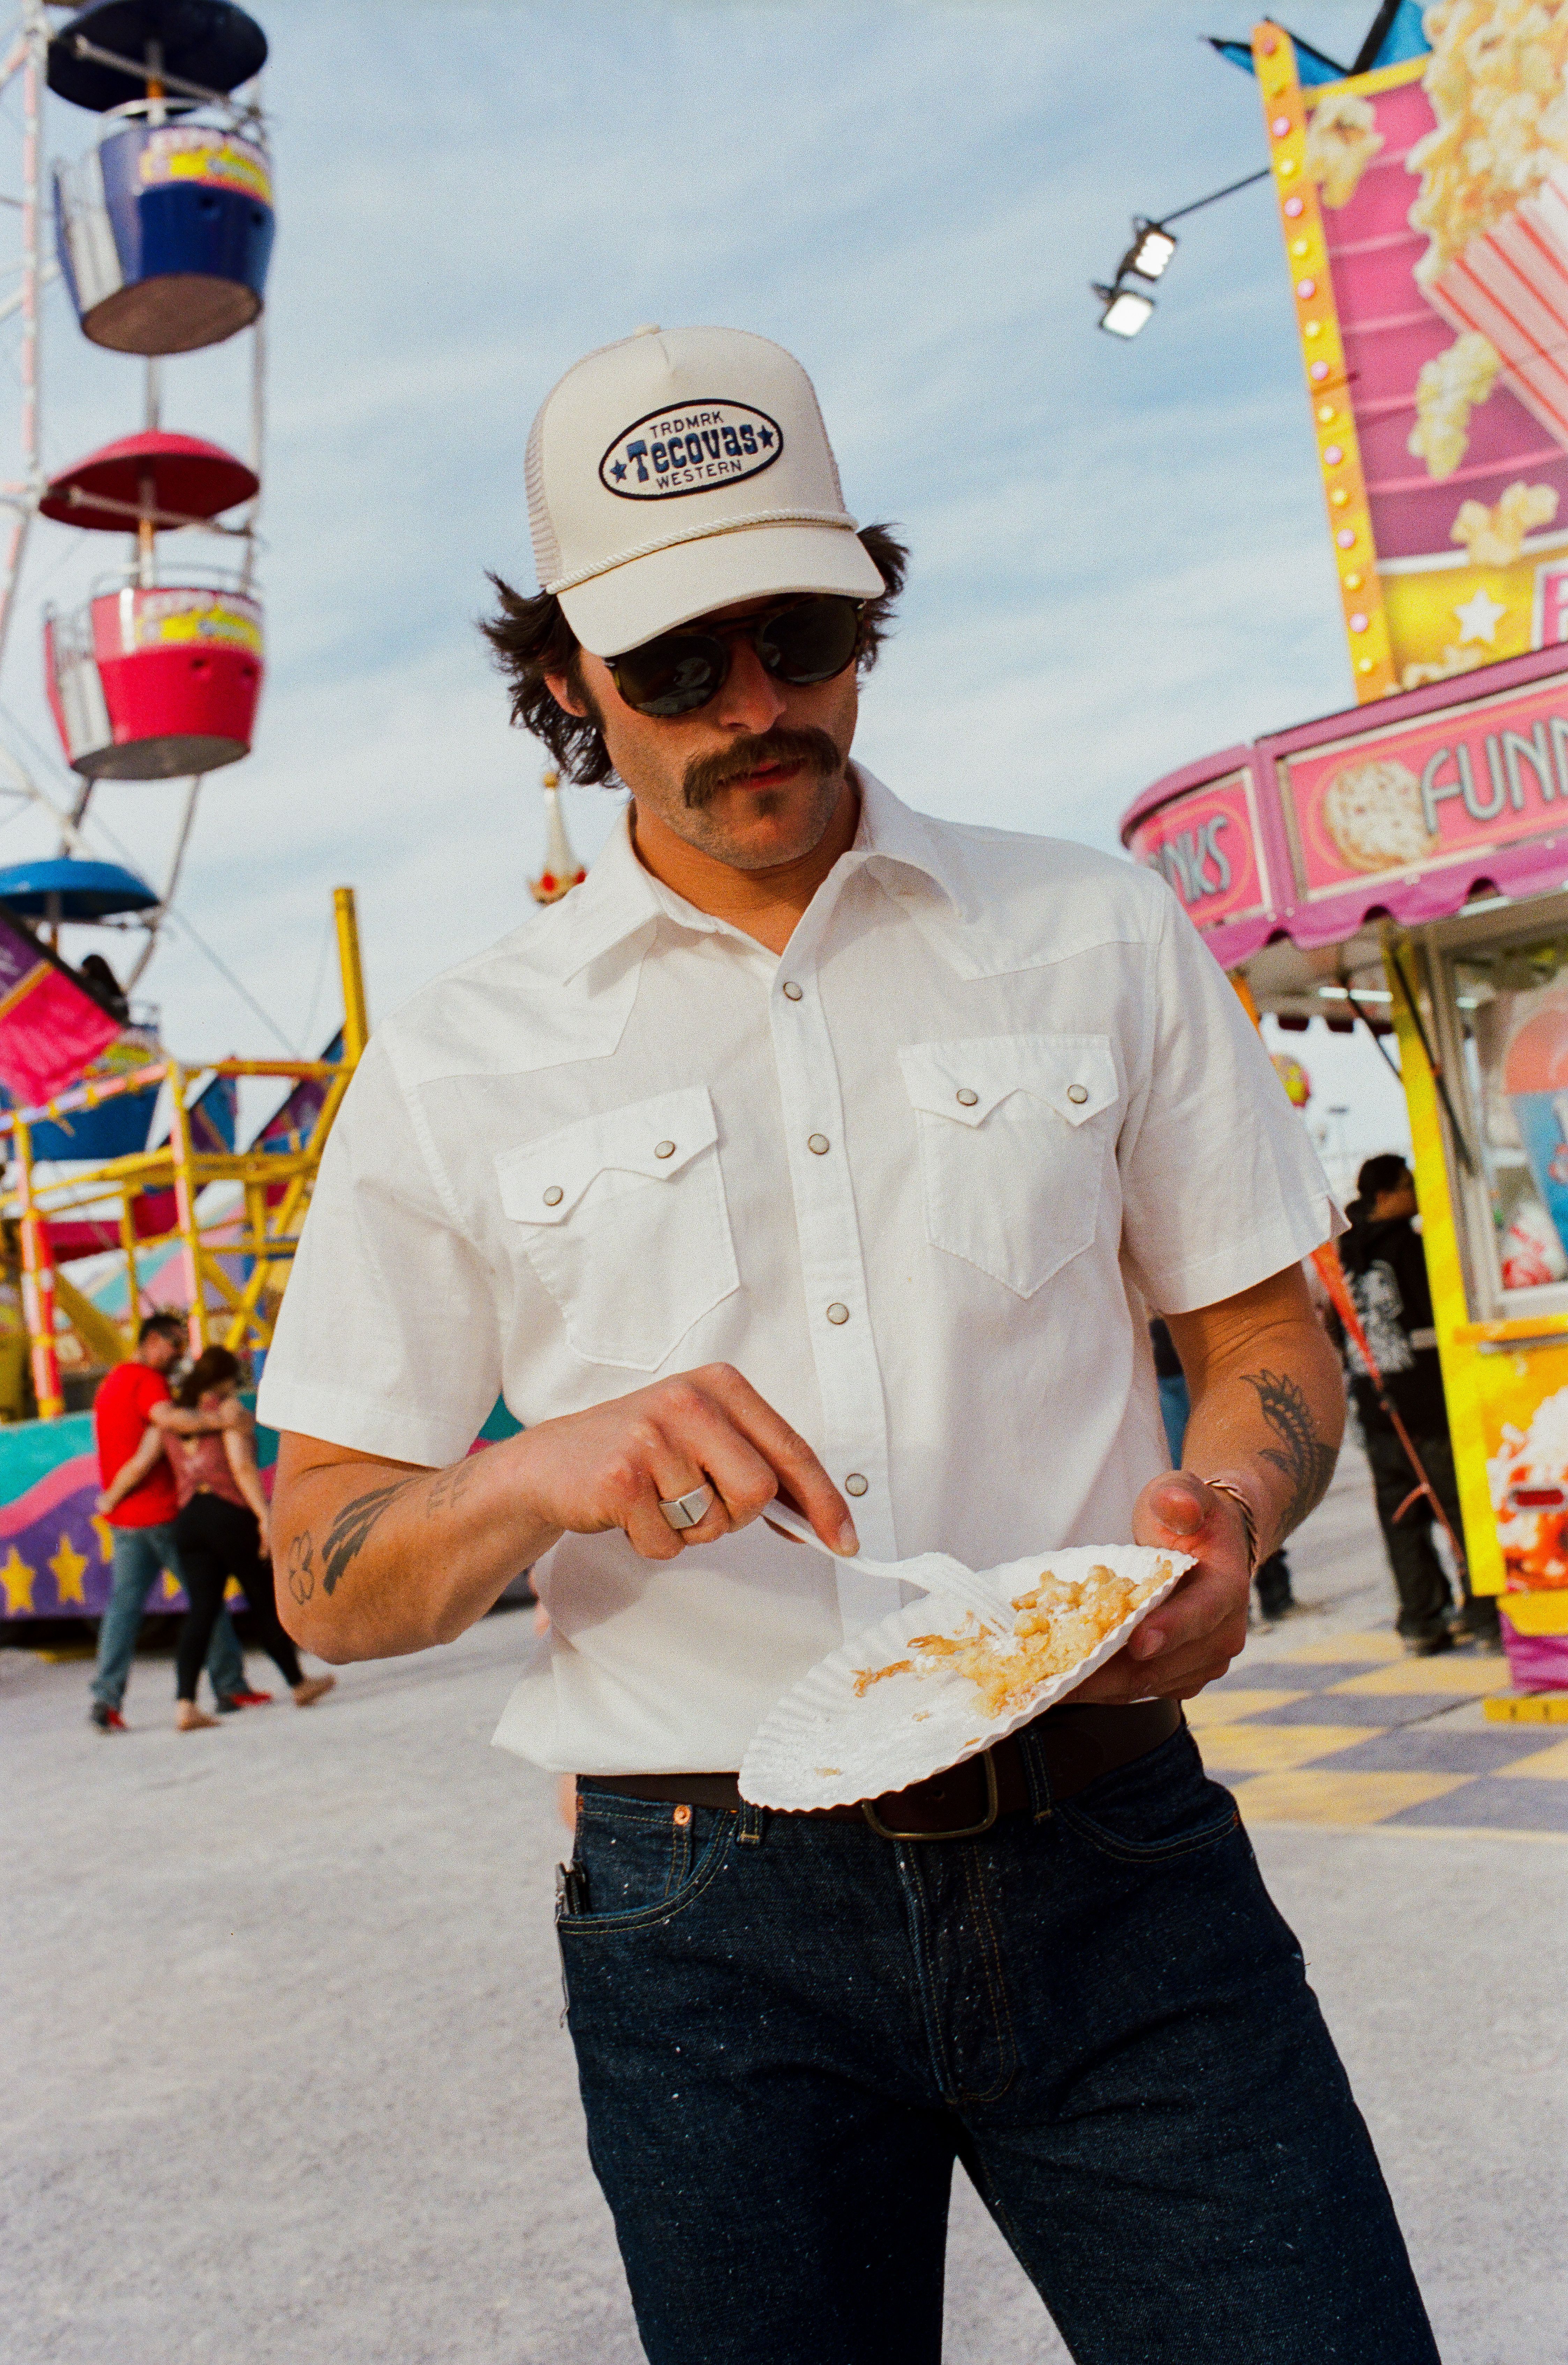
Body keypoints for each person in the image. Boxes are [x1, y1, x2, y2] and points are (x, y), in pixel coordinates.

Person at [258, 328, 1438, 2362]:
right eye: (673, 667)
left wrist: (1233, 1508)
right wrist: (545, 1466)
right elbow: (324, 1570)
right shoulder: (460, 1057)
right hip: (704, 1921)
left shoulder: (1087, 929)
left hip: (1117, 1855)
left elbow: (1263, 1345)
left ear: (863, 607)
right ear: (558, 679)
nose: (755, 709)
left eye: (799, 633)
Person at [1337, 1153, 1501, 1654]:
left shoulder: (1342, 1254)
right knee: (1456, 1505)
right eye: (1409, 1185)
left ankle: (1421, 1619)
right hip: (1426, 1404)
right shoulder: (1410, 1248)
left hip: (1374, 1403)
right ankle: (1483, 1610)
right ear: (1385, 1193)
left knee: (1401, 1515)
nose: (1416, 1192)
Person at [88, 1311, 267, 1731]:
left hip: (126, 1520)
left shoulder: (111, 1383)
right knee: (207, 1603)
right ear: (152, 1340)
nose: (180, 1354)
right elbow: (170, 1421)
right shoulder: (147, 1380)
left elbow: (133, 1458)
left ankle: (105, 1699)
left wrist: (111, 1498)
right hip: (165, 1514)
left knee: (123, 1611)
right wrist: (222, 1421)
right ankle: (230, 1686)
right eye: (175, 1343)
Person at [161, 1346, 333, 1730]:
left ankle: (185, 1703)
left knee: (203, 1610)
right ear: (225, 1379)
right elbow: (240, 1465)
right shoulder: (228, 1410)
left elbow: (146, 1458)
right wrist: (263, 1515)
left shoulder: (175, 1419)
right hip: (228, 1512)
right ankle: (299, 1683)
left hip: (189, 1517)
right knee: (262, 1598)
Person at [1152, 1313, 1299, 1621]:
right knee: (1195, 1489)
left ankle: (1271, 1593)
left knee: (1237, 1485)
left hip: (1210, 1382)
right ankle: (1235, 1601)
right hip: (1172, 1383)